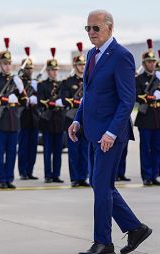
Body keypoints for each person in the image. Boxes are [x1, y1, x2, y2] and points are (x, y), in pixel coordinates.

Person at [68, 10, 151, 254]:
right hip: (93, 131)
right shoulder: (92, 55)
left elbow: (127, 100)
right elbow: (88, 95)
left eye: (96, 28)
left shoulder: (121, 56)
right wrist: (77, 120)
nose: (91, 33)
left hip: (110, 136)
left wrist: (112, 133)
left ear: (110, 28)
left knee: (102, 187)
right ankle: (135, 229)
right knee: (98, 183)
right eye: (88, 29)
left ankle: (103, 243)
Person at [0, 38, 28, 189]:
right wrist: (5, 98)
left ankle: (9, 178)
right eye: (5, 63)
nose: (8, 66)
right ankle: (1, 179)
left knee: (11, 152)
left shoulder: (15, 80)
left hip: (13, 121)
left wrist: (21, 89)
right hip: (0, 121)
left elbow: (24, 102)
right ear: (0, 64)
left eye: (9, 63)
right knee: (0, 153)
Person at [134, 39, 160, 186]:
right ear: (144, 64)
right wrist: (150, 97)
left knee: (157, 148)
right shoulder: (139, 79)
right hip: (145, 117)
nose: (152, 64)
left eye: (153, 62)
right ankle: (146, 176)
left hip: (159, 117)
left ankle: (154, 175)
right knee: (146, 149)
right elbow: (135, 95)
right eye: (149, 62)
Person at [60, 42, 89, 187]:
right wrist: (78, 102)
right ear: (75, 66)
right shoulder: (67, 82)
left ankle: (83, 176)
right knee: (74, 151)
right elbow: (64, 99)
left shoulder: (89, 81)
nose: (82, 67)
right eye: (80, 65)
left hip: (86, 120)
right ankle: (75, 178)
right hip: (72, 119)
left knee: (85, 150)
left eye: (84, 65)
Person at [38, 48, 66, 184]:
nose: (55, 72)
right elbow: (41, 101)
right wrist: (53, 103)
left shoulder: (61, 84)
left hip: (59, 121)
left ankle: (56, 174)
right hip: (48, 121)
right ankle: (48, 175)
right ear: (48, 71)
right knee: (48, 150)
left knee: (58, 151)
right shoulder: (42, 85)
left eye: (56, 70)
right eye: (52, 70)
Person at [17, 47, 39, 181]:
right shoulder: (18, 82)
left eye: (31, 68)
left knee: (33, 148)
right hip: (23, 118)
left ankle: (30, 171)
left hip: (34, 119)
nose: (29, 71)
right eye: (27, 68)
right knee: (24, 147)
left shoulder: (35, 83)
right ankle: (23, 171)